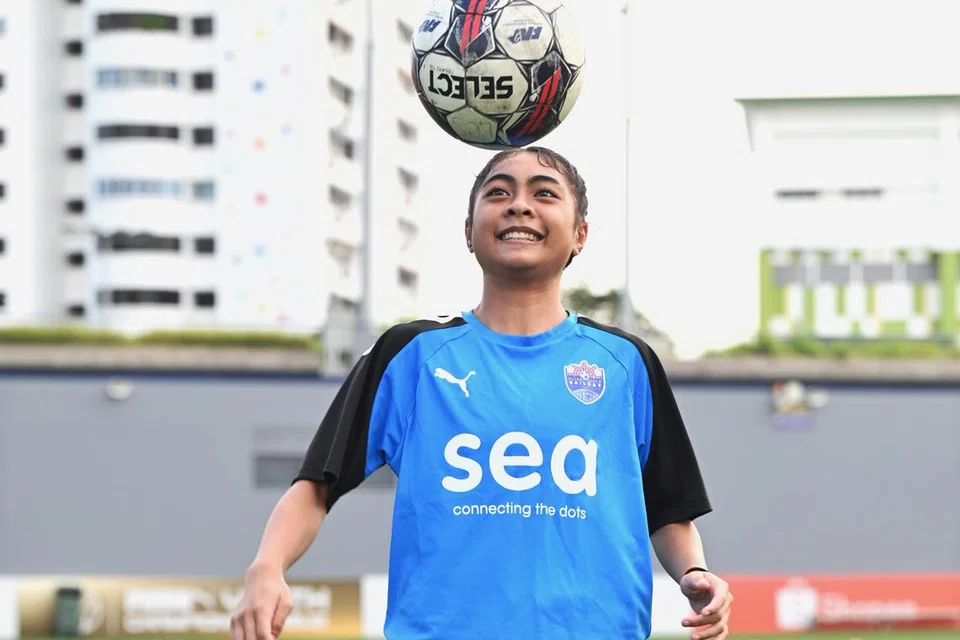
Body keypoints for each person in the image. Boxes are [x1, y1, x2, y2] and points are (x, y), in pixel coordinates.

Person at [229, 147, 734, 640]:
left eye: (544, 193)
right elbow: (316, 485)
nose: (519, 204)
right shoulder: (410, 354)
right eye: (498, 192)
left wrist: (694, 573)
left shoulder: (627, 363)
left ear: (580, 234)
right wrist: (267, 567)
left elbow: (669, 510)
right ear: (469, 232)